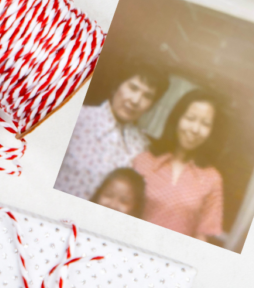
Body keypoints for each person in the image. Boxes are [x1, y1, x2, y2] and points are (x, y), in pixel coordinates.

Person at [55, 63, 169, 200]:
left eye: (147, 96)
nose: (135, 100)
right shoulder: (79, 119)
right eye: (133, 88)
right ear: (117, 85)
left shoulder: (142, 146)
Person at [132, 89, 226, 242]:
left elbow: (202, 237)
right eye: (190, 118)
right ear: (177, 119)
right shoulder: (143, 160)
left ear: (212, 131)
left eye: (205, 124)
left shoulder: (212, 178)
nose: (195, 129)